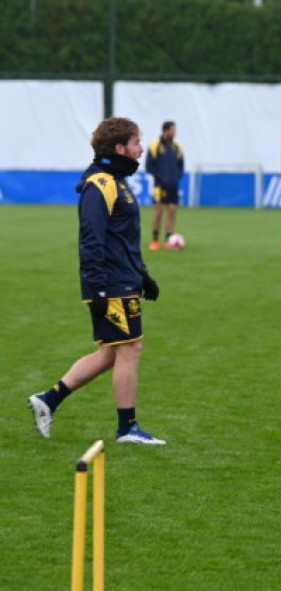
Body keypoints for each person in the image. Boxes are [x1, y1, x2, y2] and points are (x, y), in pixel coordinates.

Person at [27, 117, 165, 444]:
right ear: (120, 148)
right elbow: (92, 238)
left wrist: (144, 275)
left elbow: (122, 238)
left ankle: (48, 401)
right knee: (131, 348)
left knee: (111, 353)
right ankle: (127, 428)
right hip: (111, 283)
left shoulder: (117, 181)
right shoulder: (100, 183)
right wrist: (98, 286)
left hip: (124, 279)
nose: (141, 149)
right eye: (135, 143)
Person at [146, 120, 185, 250]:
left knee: (172, 211)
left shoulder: (177, 147)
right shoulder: (155, 145)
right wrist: (161, 178)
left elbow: (180, 166)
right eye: (173, 130)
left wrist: (176, 178)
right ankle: (155, 240)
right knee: (159, 211)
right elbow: (149, 166)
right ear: (166, 130)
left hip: (173, 184)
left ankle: (169, 240)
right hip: (160, 185)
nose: (175, 133)